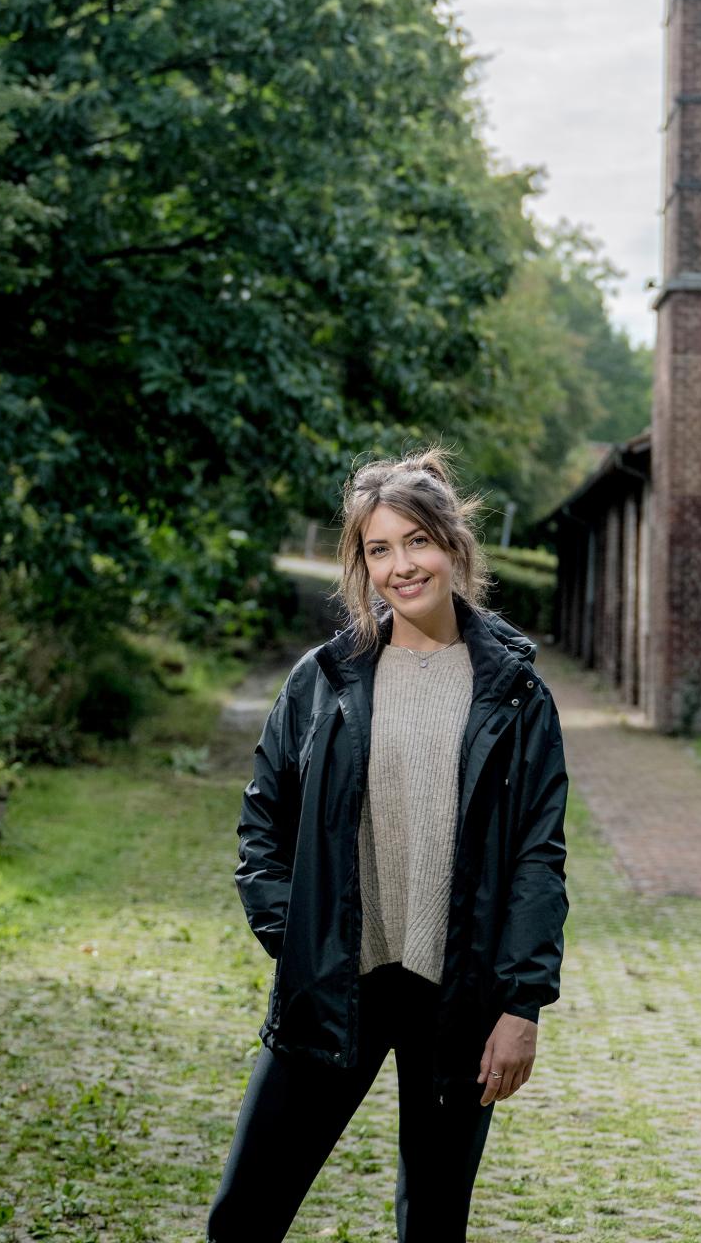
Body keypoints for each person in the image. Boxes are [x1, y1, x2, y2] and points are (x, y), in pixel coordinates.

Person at [207, 448, 569, 1243]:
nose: (400, 566)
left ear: (453, 546)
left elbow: (539, 857)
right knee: (242, 1215)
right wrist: (297, 936)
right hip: (337, 981)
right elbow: (261, 826)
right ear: (361, 564)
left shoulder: (517, 695)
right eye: (378, 549)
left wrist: (522, 1005)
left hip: (459, 995)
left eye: (416, 541)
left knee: (433, 1226)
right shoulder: (324, 680)